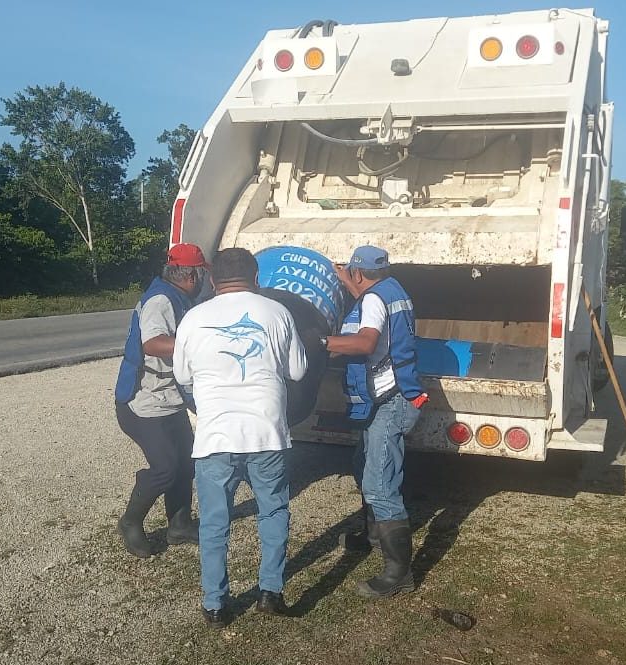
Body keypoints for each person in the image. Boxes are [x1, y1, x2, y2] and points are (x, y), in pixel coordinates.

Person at [173, 248, 308, 628]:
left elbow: (182, 375)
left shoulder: (193, 318)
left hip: (215, 437)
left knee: (215, 523)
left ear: (213, 280)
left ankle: (215, 605)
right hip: (267, 433)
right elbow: (297, 370)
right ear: (256, 278)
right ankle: (271, 592)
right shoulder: (277, 313)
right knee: (273, 510)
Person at [322, 245, 428, 599]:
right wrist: (347, 281)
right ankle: (371, 535)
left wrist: (323, 342)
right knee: (363, 463)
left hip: (389, 400)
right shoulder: (392, 290)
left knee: (380, 484)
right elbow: (369, 299)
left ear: (357, 271)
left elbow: (366, 342)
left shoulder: (373, 301)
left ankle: (399, 574)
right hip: (392, 394)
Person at [114, 243, 209, 558]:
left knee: (185, 464)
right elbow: (153, 343)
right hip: (143, 404)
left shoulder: (176, 297)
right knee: (166, 468)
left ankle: (179, 525)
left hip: (169, 400)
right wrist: (197, 343)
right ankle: (130, 521)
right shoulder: (160, 300)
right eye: (203, 274)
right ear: (193, 275)